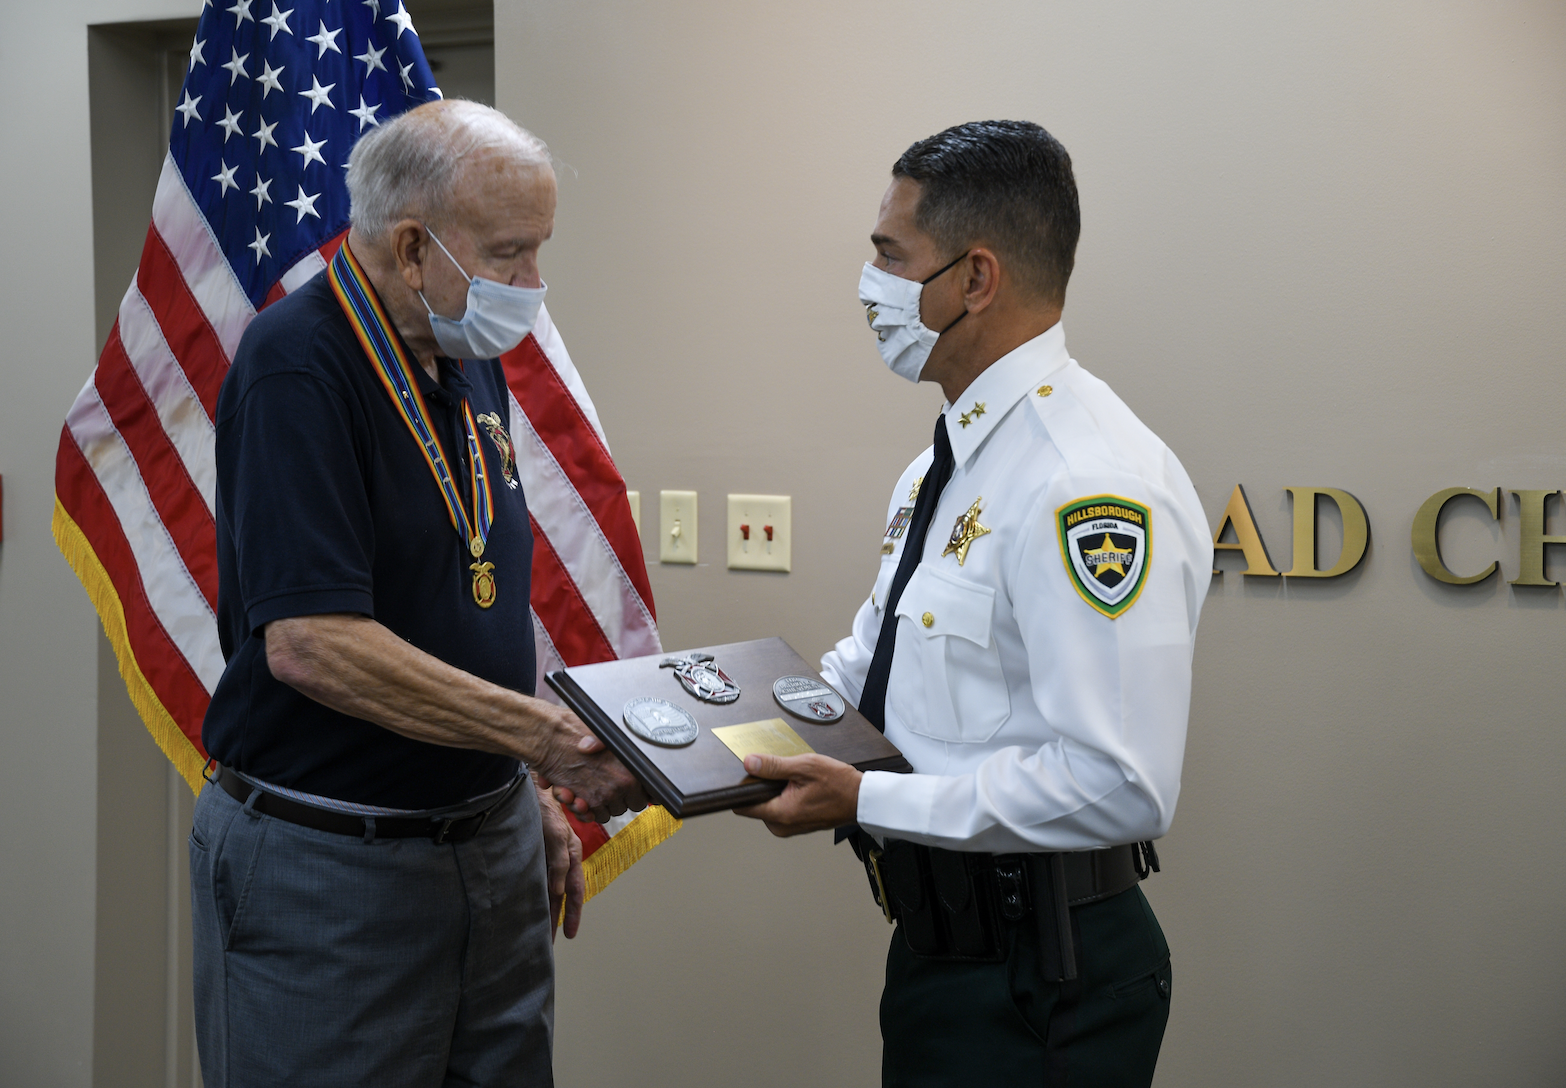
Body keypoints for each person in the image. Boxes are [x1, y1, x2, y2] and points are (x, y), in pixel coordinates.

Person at [735, 120, 1213, 1086]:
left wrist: (868, 797)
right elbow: (861, 676)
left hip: (1043, 981)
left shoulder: (1085, 484)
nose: (869, 286)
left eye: (889, 256)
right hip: (941, 955)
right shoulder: (945, 463)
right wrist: (668, 751)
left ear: (974, 279)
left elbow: (1121, 783)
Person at [190, 100, 645, 1088]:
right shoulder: (297, 362)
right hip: (333, 865)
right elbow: (311, 640)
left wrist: (517, 785)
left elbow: (465, 583)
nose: (534, 285)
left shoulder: (465, 351)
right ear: (410, 247)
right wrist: (546, 740)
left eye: (540, 251)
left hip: (486, 845)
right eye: (512, 254)